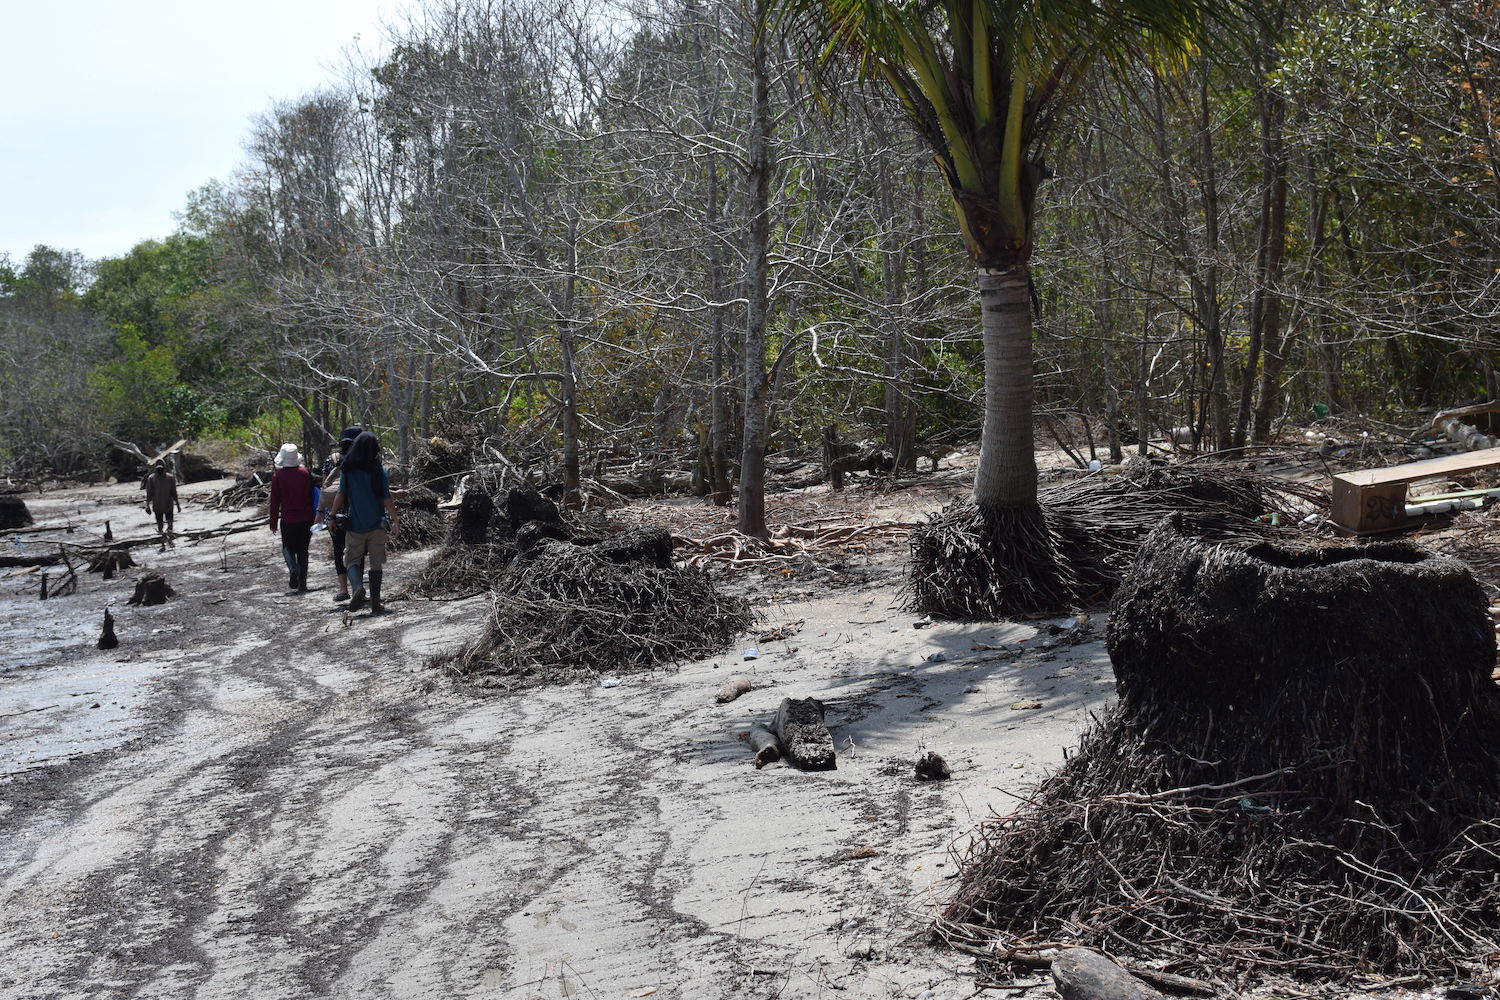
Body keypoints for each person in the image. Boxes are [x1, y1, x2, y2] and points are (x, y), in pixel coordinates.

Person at [328, 430, 399, 613]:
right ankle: (376, 603)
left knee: (351, 560)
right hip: (377, 524)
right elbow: (386, 497)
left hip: (355, 525)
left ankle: (358, 587)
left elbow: (340, 494)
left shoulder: (348, 470)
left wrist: (332, 516)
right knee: (376, 563)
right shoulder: (380, 470)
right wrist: (395, 519)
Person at [319, 425, 362, 601]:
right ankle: (357, 585)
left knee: (338, 550)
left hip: (335, 514)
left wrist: (322, 512)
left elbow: (325, 486)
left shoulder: (332, 459)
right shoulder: (364, 459)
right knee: (357, 551)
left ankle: (344, 589)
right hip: (358, 513)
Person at [268, 443, 317, 593]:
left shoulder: (278, 476)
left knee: (287, 547)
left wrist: (273, 523)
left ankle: (293, 568)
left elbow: (275, 501)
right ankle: (302, 584)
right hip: (306, 517)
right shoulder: (305, 473)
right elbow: (312, 495)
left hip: (288, 519)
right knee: (303, 549)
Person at [144, 460, 181, 542]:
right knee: (159, 523)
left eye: (161, 468)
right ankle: (161, 538)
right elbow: (149, 493)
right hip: (157, 504)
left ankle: (171, 537)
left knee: (170, 522)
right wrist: (147, 505)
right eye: (158, 469)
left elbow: (173, 492)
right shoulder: (151, 478)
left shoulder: (170, 478)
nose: (160, 470)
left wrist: (177, 504)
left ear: (164, 467)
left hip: (168, 504)